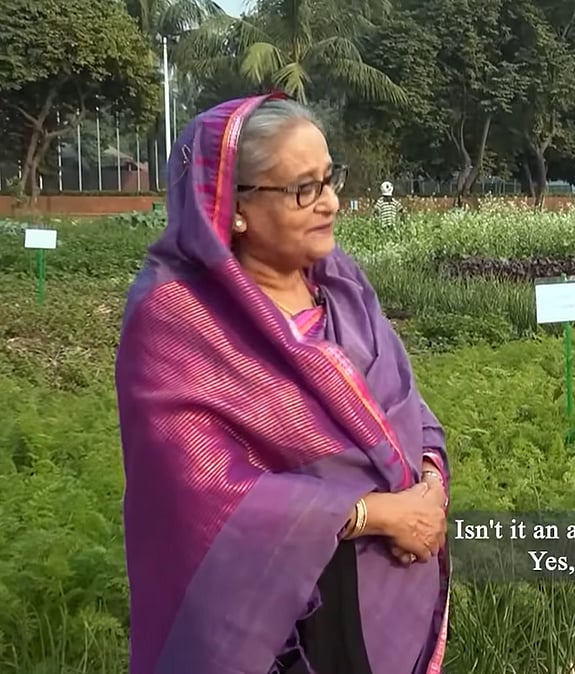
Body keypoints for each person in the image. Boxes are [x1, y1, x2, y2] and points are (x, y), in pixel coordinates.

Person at [114, 93, 451, 674]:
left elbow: (407, 407)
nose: (331, 203)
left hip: (386, 592)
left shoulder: (341, 285)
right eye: (305, 188)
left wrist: (429, 483)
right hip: (282, 623)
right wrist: (378, 516)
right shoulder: (178, 318)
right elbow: (199, 493)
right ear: (234, 205)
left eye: (330, 178)